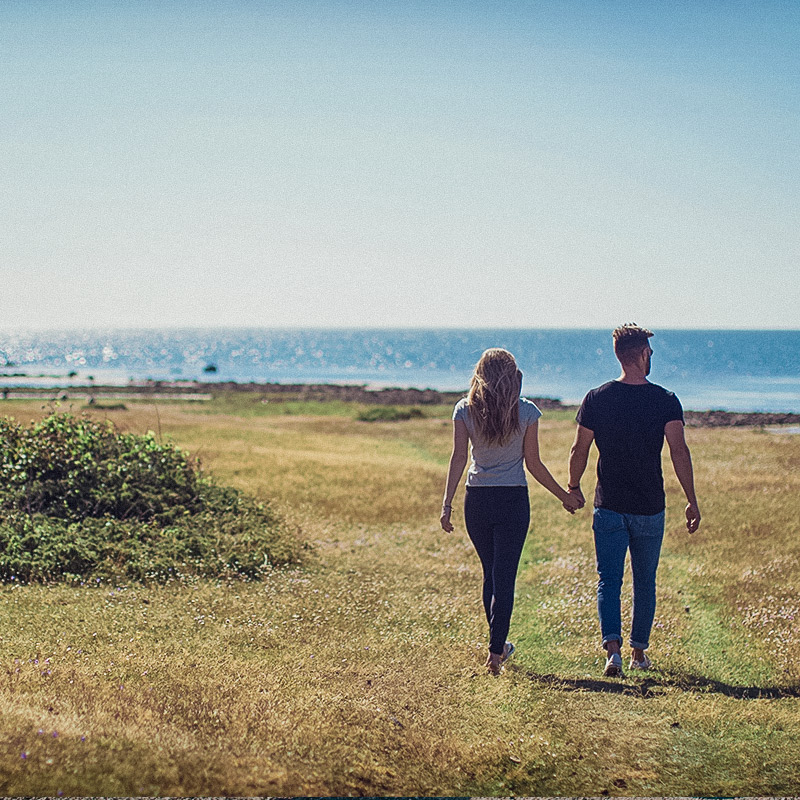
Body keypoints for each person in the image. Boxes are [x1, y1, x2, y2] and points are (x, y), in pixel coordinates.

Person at [567, 324, 701, 677]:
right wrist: (691, 499)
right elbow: (679, 451)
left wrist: (573, 486)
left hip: (608, 504)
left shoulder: (596, 398)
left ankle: (613, 652)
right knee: (645, 580)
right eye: (650, 352)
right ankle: (639, 653)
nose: (651, 357)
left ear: (617, 354)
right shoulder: (665, 400)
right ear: (642, 354)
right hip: (649, 506)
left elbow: (579, 448)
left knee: (608, 580)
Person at [441, 348, 583, 675]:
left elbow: (459, 458)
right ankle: (495, 652)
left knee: (491, 574)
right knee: (504, 577)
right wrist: (563, 495)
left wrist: (447, 504)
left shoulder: (465, 409)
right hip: (513, 500)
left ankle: (498, 647)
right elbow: (533, 464)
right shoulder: (527, 412)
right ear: (512, 376)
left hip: (476, 500)